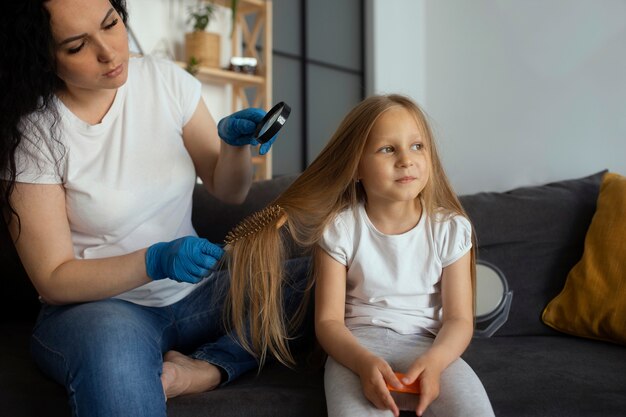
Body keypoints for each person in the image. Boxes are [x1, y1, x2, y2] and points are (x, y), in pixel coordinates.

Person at [0, 1, 306, 416]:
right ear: (43, 58)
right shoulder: (35, 134)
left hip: (198, 295)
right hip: (102, 311)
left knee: (321, 274)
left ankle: (210, 368)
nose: (109, 52)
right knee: (113, 360)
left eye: (111, 24)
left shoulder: (163, 80)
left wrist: (235, 148)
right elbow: (53, 278)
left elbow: (228, 190)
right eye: (77, 46)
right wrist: (156, 259)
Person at [225, 94, 495, 416]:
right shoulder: (339, 228)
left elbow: (459, 319)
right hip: (355, 351)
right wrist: (363, 363)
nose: (406, 160)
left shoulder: (451, 229)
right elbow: (328, 322)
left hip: (430, 347)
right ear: (356, 167)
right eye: (387, 149)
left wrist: (435, 363)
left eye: (417, 146)